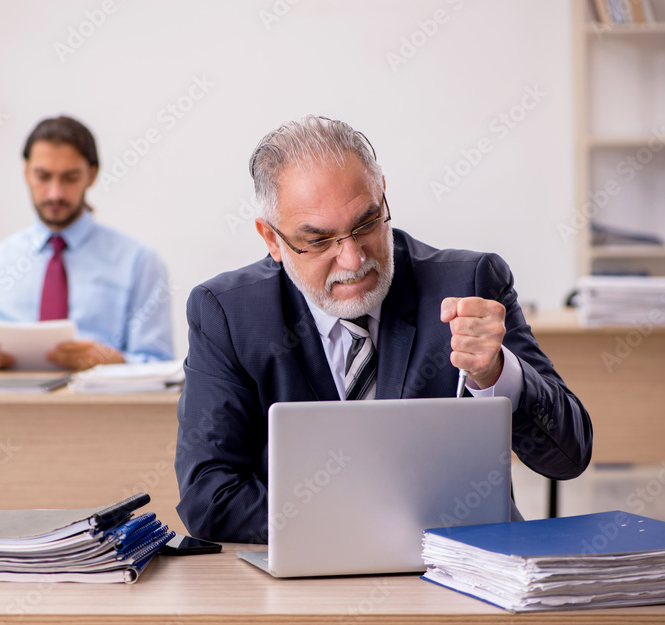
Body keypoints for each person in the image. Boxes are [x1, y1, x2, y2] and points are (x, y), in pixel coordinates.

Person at [175, 116, 592, 543]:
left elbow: (568, 457)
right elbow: (207, 497)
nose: (354, 260)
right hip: (310, 571)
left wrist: (499, 375)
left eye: (367, 224)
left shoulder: (470, 284)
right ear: (272, 239)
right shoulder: (227, 313)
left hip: (460, 570)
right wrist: (364, 528)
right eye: (319, 241)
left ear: (383, 198)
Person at [0, 116, 175, 371]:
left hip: (97, 408)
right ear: (26, 172)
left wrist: (113, 362)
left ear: (92, 175)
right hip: (8, 407)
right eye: (43, 176)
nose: (55, 193)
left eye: (70, 178)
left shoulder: (139, 263)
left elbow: (160, 366)